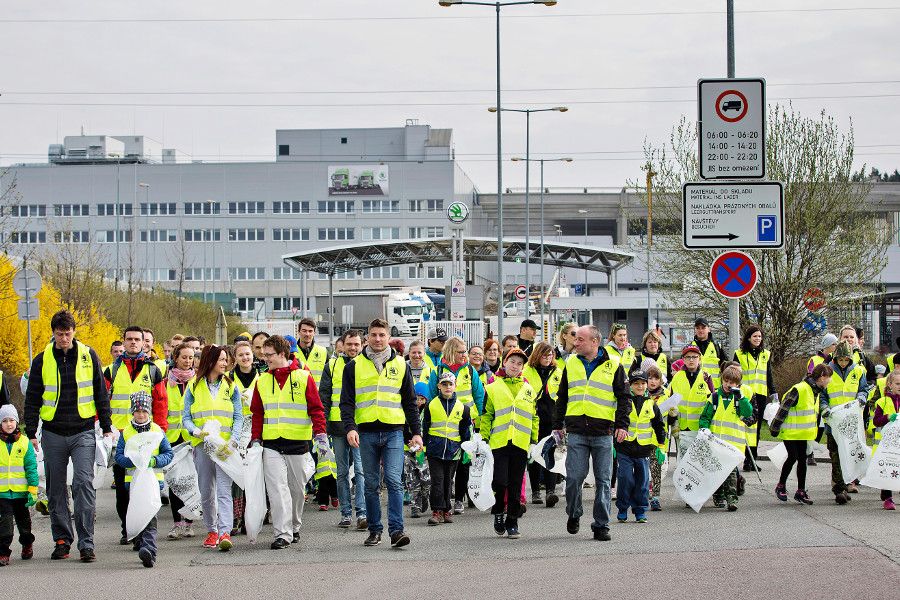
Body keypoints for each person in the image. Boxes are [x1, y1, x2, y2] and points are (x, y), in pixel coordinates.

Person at [24, 310, 112, 562]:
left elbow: (99, 391)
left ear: (74, 332)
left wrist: (106, 426)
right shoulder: (42, 360)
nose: (64, 338)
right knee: (55, 489)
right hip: (53, 431)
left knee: (83, 484)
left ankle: (87, 542)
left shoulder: (88, 355)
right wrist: (31, 431)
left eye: (68, 333)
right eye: (60, 334)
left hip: (83, 430)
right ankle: (62, 540)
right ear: (53, 334)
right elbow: (32, 397)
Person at [340, 319, 422, 548]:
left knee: (395, 482)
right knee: (370, 484)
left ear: (388, 338)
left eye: (381, 335)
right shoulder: (353, 366)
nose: (377, 339)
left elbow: (410, 402)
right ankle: (375, 530)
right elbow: (346, 403)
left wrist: (416, 432)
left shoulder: (402, 365)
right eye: (373, 335)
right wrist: (350, 427)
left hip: (393, 431)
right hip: (365, 432)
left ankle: (397, 531)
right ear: (367, 337)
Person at [552, 325, 630, 542]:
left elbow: (624, 398)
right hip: (577, 431)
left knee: (603, 481)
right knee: (574, 478)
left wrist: (622, 425)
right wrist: (558, 424)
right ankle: (574, 512)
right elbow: (563, 396)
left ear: (594, 342)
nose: (575, 343)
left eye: (580, 340)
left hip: (603, 432)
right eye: (575, 340)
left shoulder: (614, 365)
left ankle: (601, 525)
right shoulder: (571, 363)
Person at [250, 335, 327, 549]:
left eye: (269, 355)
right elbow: (257, 413)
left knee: (296, 490)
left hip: (298, 442)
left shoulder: (303, 377)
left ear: (282, 354)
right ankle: (281, 533)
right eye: (264, 355)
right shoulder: (262, 380)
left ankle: (294, 526)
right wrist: (256, 439)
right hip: (272, 443)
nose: (266, 359)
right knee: (277, 490)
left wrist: (320, 434)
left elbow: (316, 408)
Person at [106, 325, 168, 545]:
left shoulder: (152, 370)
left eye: (137, 339)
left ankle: (143, 530)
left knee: (145, 486)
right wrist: (104, 428)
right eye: (129, 339)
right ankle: (128, 528)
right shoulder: (111, 370)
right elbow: (102, 401)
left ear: (144, 343)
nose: (133, 343)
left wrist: (160, 430)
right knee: (123, 488)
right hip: (120, 437)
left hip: (147, 435)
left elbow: (160, 402)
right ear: (123, 342)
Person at [182, 345, 243, 551]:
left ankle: (225, 531)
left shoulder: (231, 386)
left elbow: (238, 416)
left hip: (225, 447)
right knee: (206, 490)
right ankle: (212, 530)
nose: (226, 364)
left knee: (224, 491)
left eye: (227, 360)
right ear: (211, 360)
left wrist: (233, 441)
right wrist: (195, 431)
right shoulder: (192, 386)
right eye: (222, 360)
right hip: (202, 445)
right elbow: (186, 417)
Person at [481, 348, 538, 539]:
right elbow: (487, 414)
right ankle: (498, 510)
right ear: (504, 362)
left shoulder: (528, 388)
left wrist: (534, 441)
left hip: (521, 443)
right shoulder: (493, 386)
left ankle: (512, 522)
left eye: (519, 363)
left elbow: (533, 416)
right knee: (499, 481)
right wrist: (483, 438)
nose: (515, 366)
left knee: (515, 484)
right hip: (499, 442)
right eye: (512, 362)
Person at [425, 337, 485, 516]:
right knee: (447, 464)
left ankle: (459, 498)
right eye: (461, 352)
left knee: (464, 462)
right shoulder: (438, 371)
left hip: (466, 422)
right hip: (444, 425)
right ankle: (443, 503)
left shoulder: (469, 370)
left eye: (465, 351)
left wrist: (478, 419)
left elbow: (479, 395)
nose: (465, 355)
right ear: (451, 351)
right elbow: (430, 398)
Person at [114, 391, 174, 568]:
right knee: (137, 511)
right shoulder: (126, 432)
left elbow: (168, 454)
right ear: (132, 412)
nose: (141, 415)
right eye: (138, 411)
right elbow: (118, 457)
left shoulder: (157, 431)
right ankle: (140, 541)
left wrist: (153, 461)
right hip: (133, 482)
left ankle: (149, 549)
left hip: (153, 481)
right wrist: (131, 460)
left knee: (151, 514)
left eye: (144, 411)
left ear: (150, 412)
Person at [320, 330, 367, 530]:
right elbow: (325, 395)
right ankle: (346, 513)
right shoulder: (331, 365)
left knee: (360, 470)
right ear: (343, 345)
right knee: (341, 472)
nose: (353, 348)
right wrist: (322, 425)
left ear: (362, 345)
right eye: (350, 344)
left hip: (361, 425)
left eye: (357, 344)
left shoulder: (367, 365)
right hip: (338, 426)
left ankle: (362, 512)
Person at [770, 364, 833, 505]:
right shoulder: (800, 389)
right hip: (791, 432)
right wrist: (775, 427)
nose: (830, 381)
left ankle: (801, 491)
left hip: (803, 433)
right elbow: (784, 408)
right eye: (829, 378)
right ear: (822, 377)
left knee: (802, 459)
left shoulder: (815, 391)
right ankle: (781, 485)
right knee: (793, 457)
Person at [698, 365, 754, 511]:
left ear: (738, 384)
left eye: (733, 382)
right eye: (726, 381)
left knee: (731, 472)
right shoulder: (715, 397)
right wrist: (704, 429)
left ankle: (732, 499)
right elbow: (705, 416)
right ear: (722, 380)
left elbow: (748, 412)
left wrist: (741, 398)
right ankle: (718, 496)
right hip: (716, 442)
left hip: (733, 443)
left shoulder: (740, 399)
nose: (729, 385)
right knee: (716, 471)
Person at [614, 370, 665, 523]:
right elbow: (614, 423)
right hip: (625, 448)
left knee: (642, 483)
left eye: (643, 383)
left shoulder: (652, 404)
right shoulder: (624, 402)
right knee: (625, 480)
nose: (640, 386)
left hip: (643, 450)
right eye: (636, 383)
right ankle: (623, 508)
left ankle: (640, 511)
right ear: (630, 385)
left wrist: (661, 446)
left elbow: (659, 426)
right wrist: (612, 444)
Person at [422, 372, 472, 525]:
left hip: (453, 449)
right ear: (439, 386)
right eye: (444, 384)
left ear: (455, 385)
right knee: (438, 480)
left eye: (450, 384)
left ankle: (446, 510)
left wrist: (466, 450)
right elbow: (425, 426)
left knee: (448, 481)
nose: (447, 387)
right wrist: (422, 447)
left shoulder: (463, 408)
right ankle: (437, 511)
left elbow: (465, 431)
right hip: (434, 449)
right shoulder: (430, 405)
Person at [822, 340, 867, 504]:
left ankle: (848, 483)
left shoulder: (858, 371)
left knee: (849, 455)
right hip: (833, 421)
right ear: (835, 359)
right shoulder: (828, 372)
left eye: (845, 360)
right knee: (835, 456)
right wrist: (824, 408)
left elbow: (863, 390)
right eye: (840, 360)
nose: (842, 363)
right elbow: (823, 395)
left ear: (850, 359)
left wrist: (862, 399)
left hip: (851, 422)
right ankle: (839, 489)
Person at [523, 341, 563, 506]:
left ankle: (550, 491)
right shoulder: (527, 371)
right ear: (537, 355)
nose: (548, 358)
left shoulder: (557, 372)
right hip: (534, 417)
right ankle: (535, 492)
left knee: (550, 454)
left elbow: (562, 396)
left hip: (552, 419)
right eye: (545, 355)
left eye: (550, 355)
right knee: (534, 455)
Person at [164, 342, 196, 540]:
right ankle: (177, 523)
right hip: (172, 437)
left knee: (191, 481)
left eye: (191, 357)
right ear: (176, 358)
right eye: (184, 357)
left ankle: (189, 522)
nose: (187, 361)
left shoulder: (198, 381)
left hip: (192, 437)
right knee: (176, 481)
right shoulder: (166, 381)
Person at [734, 325, 777, 471]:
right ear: (748, 338)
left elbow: (768, 374)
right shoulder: (739, 354)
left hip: (760, 394)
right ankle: (745, 458)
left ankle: (752, 459)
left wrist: (773, 391)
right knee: (745, 425)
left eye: (759, 336)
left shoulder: (766, 354)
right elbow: (735, 373)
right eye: (755, 336)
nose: (758, 339)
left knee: (756, 428)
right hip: (745, 394)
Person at [0, 405, 38, 567]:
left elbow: (31, 468)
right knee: (5, 526)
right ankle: (3, 552)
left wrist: (33, 489)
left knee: (24, 525)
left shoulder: (24, 443)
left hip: (21, 493)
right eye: (5, 421)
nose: (9, 424)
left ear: (17, 422)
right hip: (2, 494)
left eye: (12, 420)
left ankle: (27, 544)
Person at [229, 340, 258, 534]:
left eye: (247, 354)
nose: (245, 358)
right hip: (236, 432)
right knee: (236, 476)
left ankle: (251, 517)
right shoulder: (228, 379)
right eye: (241, 355)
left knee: (254, 476)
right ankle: (235, 517)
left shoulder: (263, 377)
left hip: (256, 431)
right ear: (235, 358)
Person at [668, 344, 714, 461]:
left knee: (699, 461)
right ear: (683, 359)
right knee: (683, 460)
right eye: (688, 357)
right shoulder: (677, 377)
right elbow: (671, 400)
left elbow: (712, 401)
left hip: (700, 426)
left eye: (694, 357)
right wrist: (673, 421)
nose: (691, 360)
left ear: (699, 358)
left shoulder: (706, 377)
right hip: (682, 426)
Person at [872, 370, 900, 510]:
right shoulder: (882, 402)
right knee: (888, 470)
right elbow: (876, 421)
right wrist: (888, 417)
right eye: (897, 383)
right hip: (885, 444)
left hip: (898, 443)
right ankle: (888, 498)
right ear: (890, 384)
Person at [645, 365, 668, 511]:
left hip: (658, 438)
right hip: (642, 437)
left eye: (656, 378)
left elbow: (670, 416)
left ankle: (655, 497)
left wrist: (672, 413)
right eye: (649, 378)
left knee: (656, 468)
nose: (652, 381)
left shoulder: (666, 394)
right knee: (642, 469)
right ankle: (643, 492)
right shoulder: (640, 393)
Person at [693, 317, 725, 390]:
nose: (700, 330)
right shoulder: (690, 347)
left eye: (703, 328)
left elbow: (725, 367)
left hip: (715, 388)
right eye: (698, 328)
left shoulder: (717, 347)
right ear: (695, 330)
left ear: (708, 329)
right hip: (696, 388)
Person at [294, 318, 328, 387]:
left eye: (310, 331)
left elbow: (329, 376)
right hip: (297, 395)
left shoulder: (323, 352)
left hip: (317, 395)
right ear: (298, 332)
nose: (307, 334)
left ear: (314, 333)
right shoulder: (291, 353)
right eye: (304, 331)